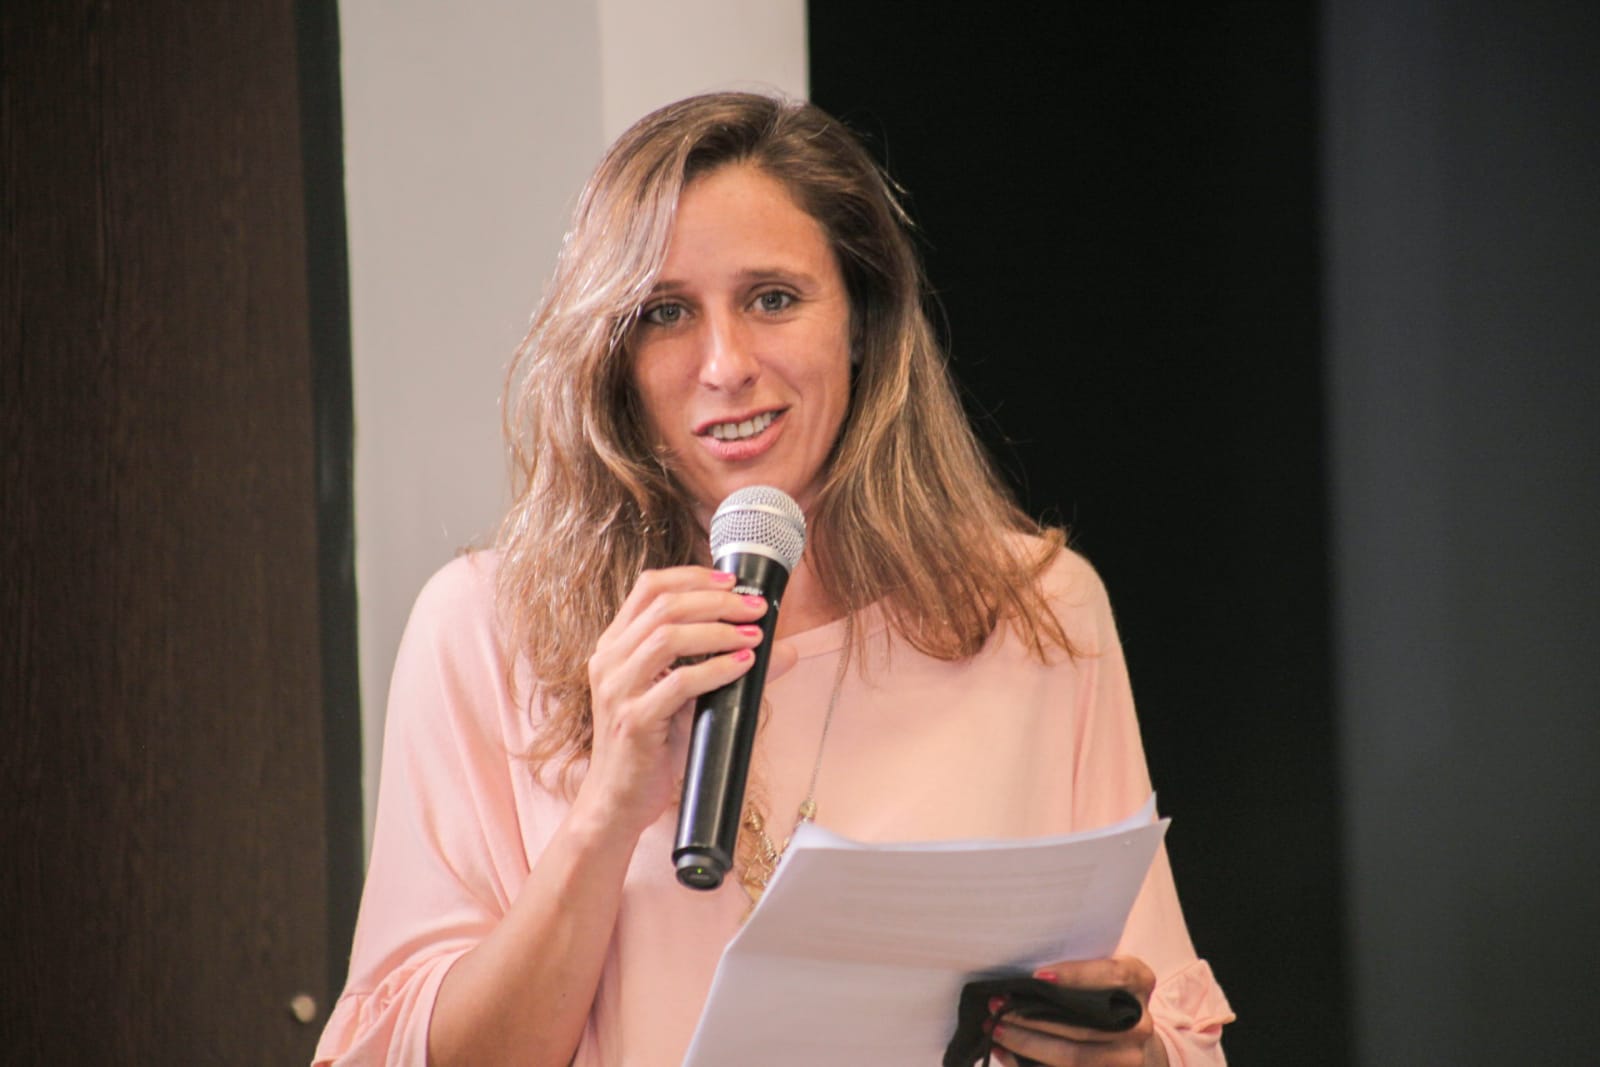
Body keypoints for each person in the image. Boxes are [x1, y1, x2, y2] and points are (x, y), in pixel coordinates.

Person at [314, 92, 1233, 1067]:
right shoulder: (483, 628)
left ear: (862, 320)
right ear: (612, 354)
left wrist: (1129, 1055)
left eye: (773, 299)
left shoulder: (1036, 612)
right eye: (665, 312)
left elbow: (1168, 1030)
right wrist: (606, 811)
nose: (725, 364)